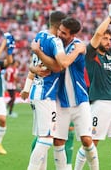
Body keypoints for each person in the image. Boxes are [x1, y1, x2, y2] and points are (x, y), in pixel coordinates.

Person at [31, 16, 98, 170]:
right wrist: (33, 68)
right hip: (60, 102)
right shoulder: (56, 44)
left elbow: (64, 64)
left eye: (64, 33)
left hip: (80, 100)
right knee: (57, 142)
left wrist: (79, 50)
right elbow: (42, 63)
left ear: (72, 35)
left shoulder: (77, 45)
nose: (60, 34)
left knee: (87, 140)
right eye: (60, 30)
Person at [81, 2, 111, 170]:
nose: (108, 41)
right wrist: (110, 17)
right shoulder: (90, 54)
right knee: (91, 143)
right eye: (105, 39)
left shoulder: (109, 55)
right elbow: (98, 32)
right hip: (98, 103)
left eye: (109, 38)